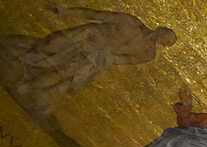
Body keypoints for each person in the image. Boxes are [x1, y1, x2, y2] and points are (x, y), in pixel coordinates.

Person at [0, 6, 177, 115]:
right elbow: (96, 14)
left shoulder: (147, 53)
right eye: (166, 35)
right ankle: (11, 50)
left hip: (97, 57)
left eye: (167, 42)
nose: (163, 39)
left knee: (63, 73)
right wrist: (66, 11)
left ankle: (29, 84)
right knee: (46, 46)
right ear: (161, 29)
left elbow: (120, 60)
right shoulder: (130, 22)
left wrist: (100, 57)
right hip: (85, 36)